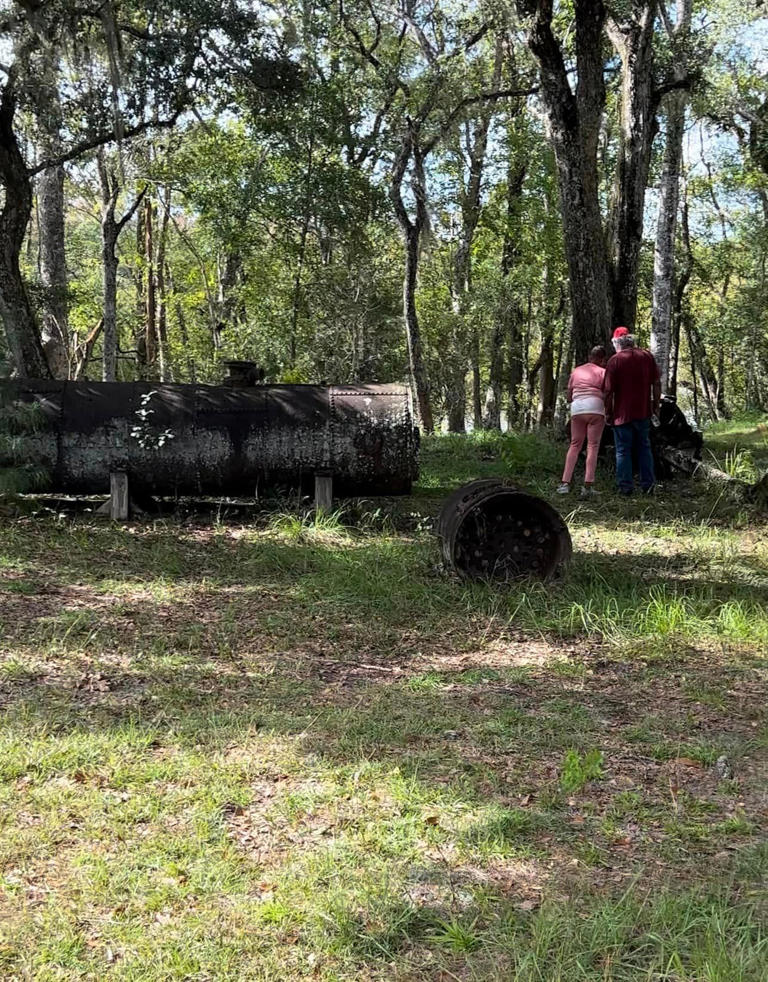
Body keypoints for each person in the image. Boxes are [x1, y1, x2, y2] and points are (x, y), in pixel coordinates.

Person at [603, 326, 661, 495]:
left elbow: (608, 391)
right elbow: (656, 383)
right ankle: (648, 486)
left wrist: (608, 412)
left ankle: (625, 487)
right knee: (644, 448)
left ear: (616, 343)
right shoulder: (646, 356)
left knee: (623, 450)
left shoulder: (615, 361)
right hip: (643, 412)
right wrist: (656, 405)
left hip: (621, 415)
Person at [557, 345, 608, 497]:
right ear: (602, 359)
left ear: (589, 357)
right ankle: (587, 485)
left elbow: (569, 394)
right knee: (592, 446)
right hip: (595, 408)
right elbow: (607, 392)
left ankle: (565, 483)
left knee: (575, 445)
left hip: (577, 408)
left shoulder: (577, 371)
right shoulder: (603, 372)